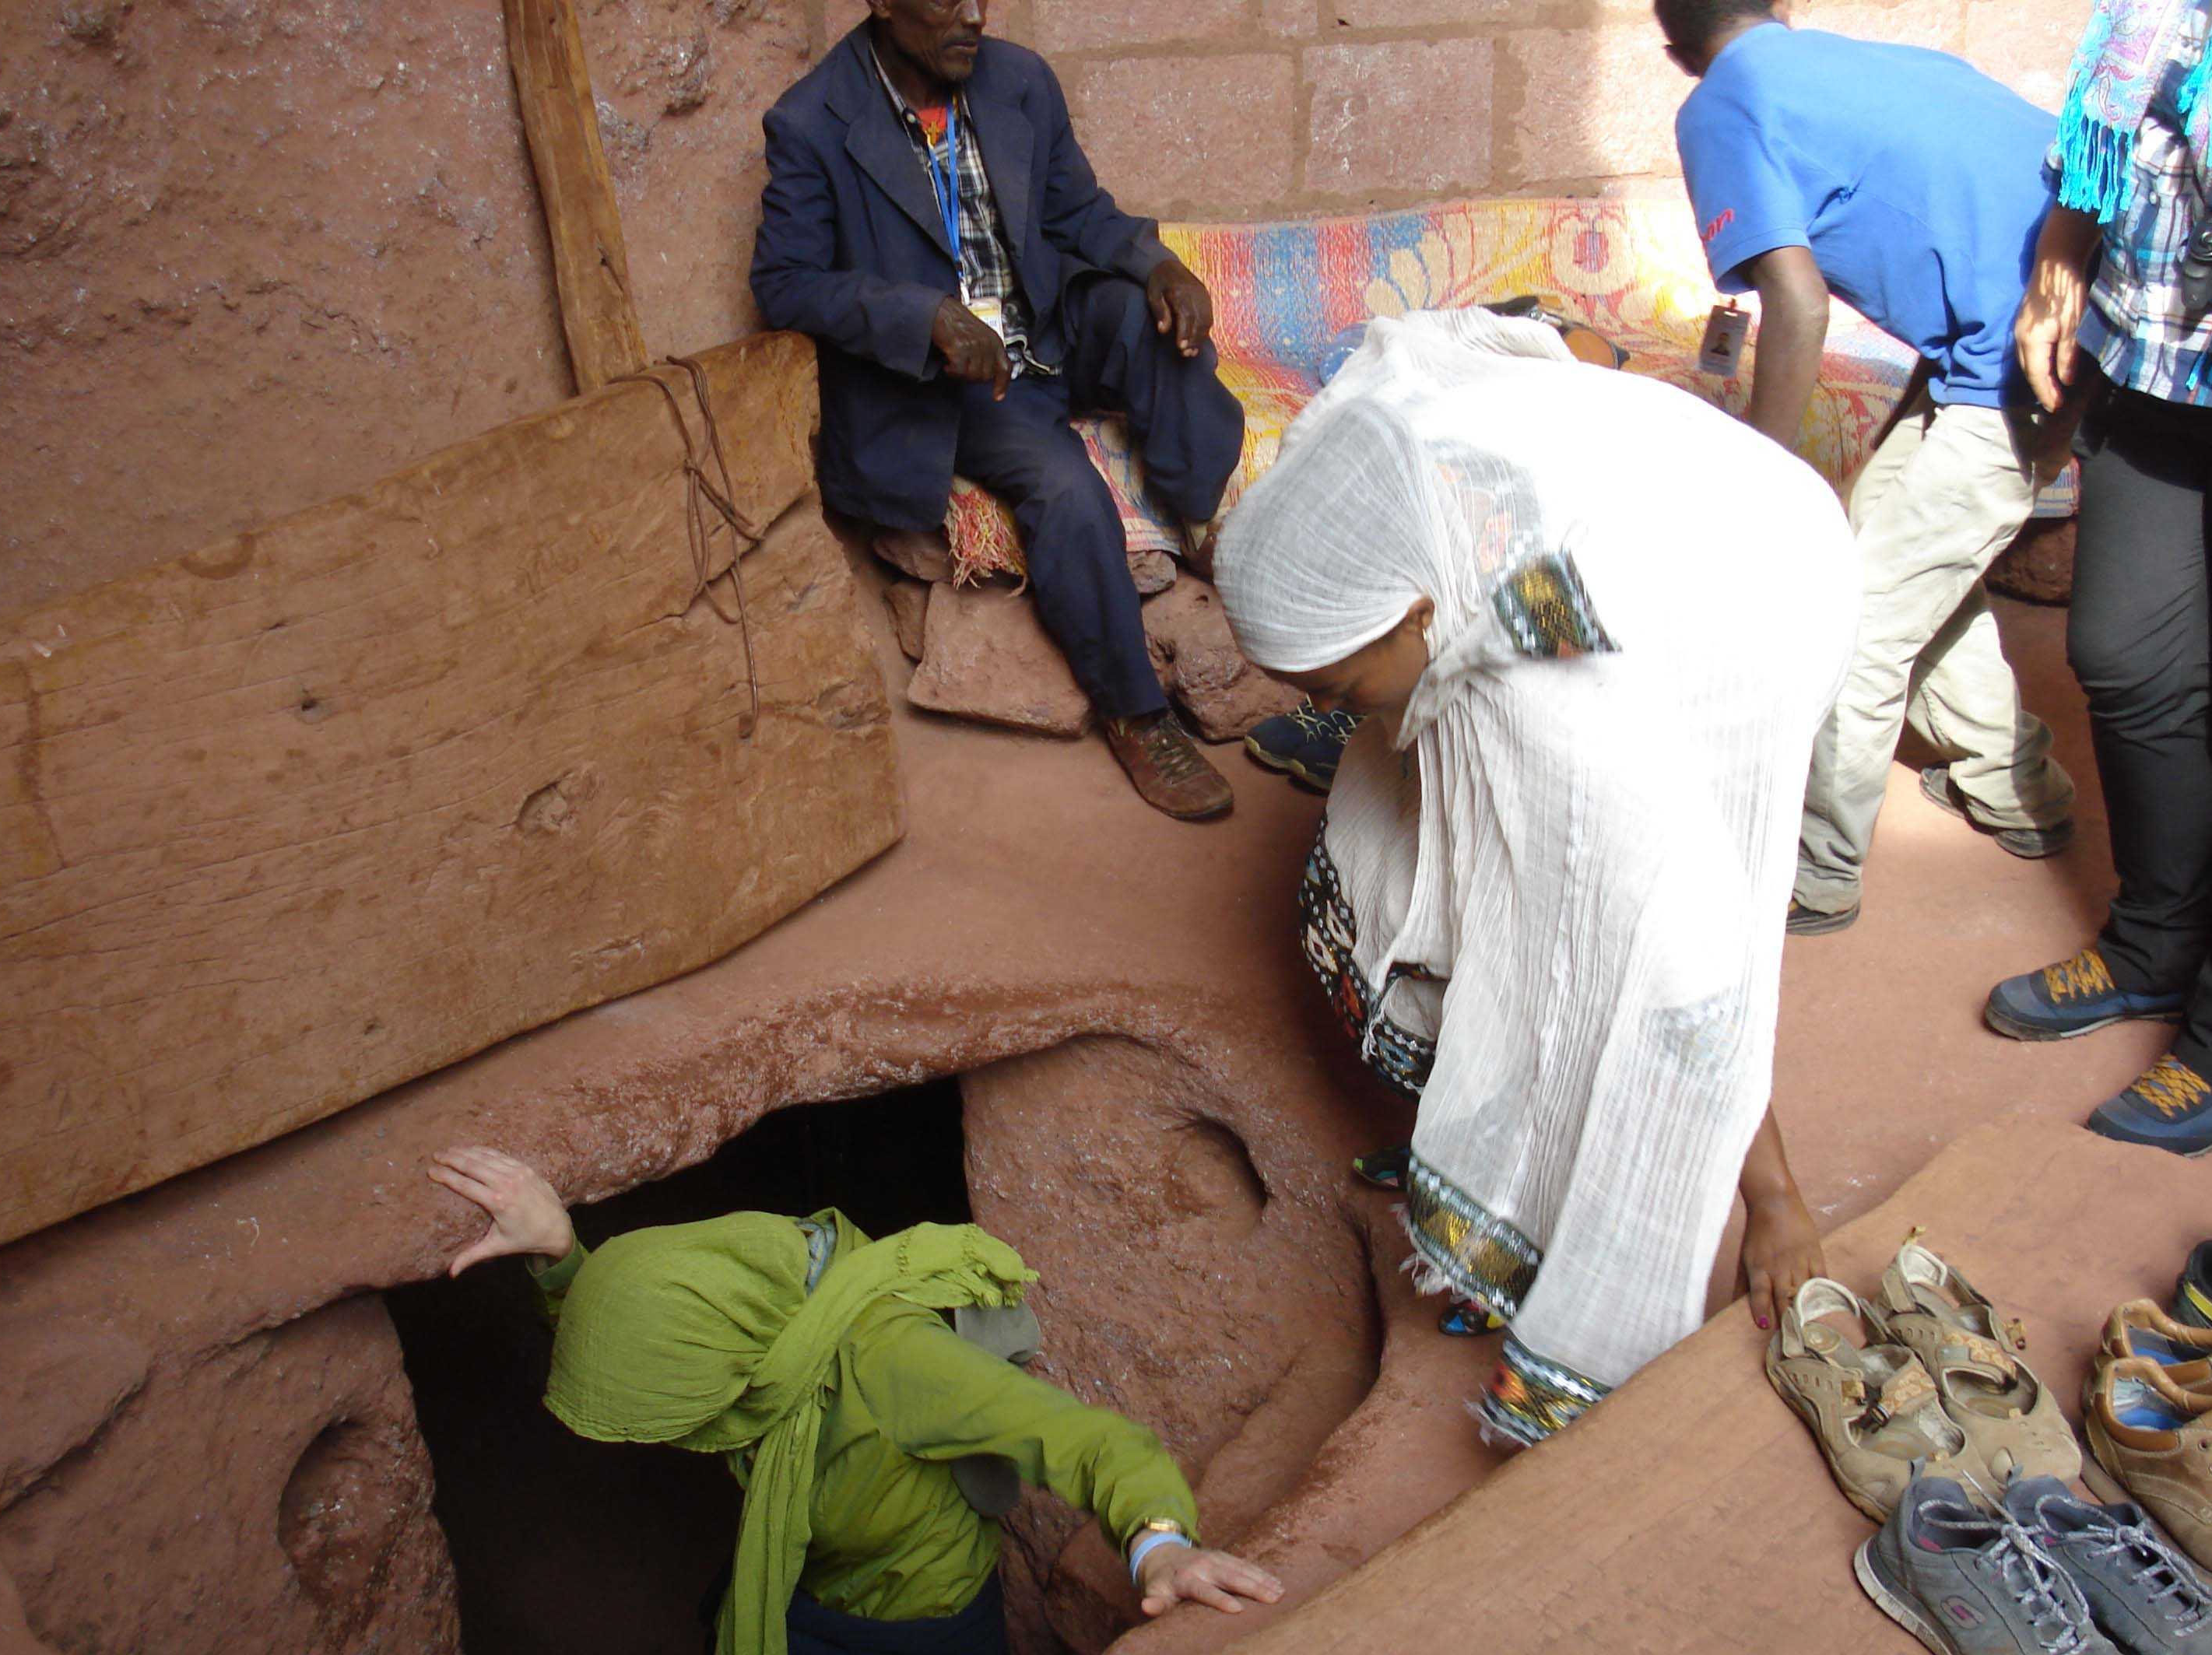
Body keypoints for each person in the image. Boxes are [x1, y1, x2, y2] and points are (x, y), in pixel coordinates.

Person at [1214, 309, 1849, 1443]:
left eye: (1340, 689)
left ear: (1416, 612)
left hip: (1756, 589)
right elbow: (1468, 332)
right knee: (1393, 836)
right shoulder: (1387, 454)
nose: (1326, 713)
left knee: (1588, 936)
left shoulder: (1567, 715)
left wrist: (1774, 1201)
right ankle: (1495, 1137)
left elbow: (1701, 981)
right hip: (1664, 523)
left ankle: (1543, 1213)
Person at [427, 1145, 1280, 1655]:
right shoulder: (747, 1311)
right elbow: (637, 1337)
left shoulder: (890, 1364)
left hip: (921, 1645)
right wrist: (560, 1252)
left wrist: (1161, 1542)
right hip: (801, 1604)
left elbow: (1089, 1441)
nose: (682, 1437)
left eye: (680, 1418)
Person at [751, 0, 1246, 822]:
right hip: (962, 380)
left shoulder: (1020, 81)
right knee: (1064, 487)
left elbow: (1079, 213)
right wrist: (924, 318)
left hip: (1047, 328)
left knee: (1151, 326)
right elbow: (784, 284)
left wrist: (1158, 266)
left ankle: (1208, 530)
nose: (974, 16)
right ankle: (1135, 712)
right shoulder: (813, 121)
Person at [1660, 0, 2079, 937]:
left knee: (1858, 623)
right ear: (1780, 11)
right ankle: (2018, 790)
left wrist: (1756, 478)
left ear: (1676, 53)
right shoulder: (1868, 63)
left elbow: (1797, 308)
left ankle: (1819, 870)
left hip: (2014, 360)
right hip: (2054, 330)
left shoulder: (1721, 102)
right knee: (1897, 566)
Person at [1995, 0, 2212, 1156]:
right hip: (2160, 368)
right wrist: (2059, 265)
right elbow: (2112, 133)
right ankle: (2150, 949)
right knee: (2124, 654)